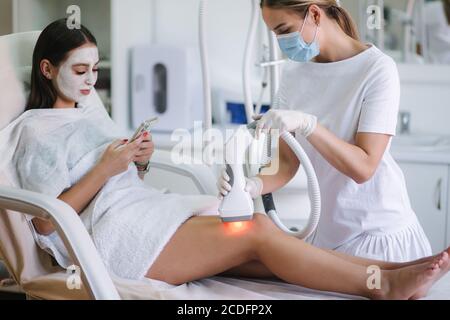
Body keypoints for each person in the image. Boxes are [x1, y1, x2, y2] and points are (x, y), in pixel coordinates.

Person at [12, 19, 450, 300]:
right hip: (110, 242)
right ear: (48, 70)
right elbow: (48, 222)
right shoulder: (36, 130)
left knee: (276, 257)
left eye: (94, 69)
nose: (91, 81)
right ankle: (387, 285)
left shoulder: (92, 114)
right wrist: (107, 167)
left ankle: (392, 268)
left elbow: (117, 181)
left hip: (145, 215)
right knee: (256, 230)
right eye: (79, 70)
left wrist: (137, 162)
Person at [220, 0, 433, 263]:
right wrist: (251, 185)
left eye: (284, 29)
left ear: (314, 14)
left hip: (379, 233)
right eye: (275, 33)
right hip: (329, 236)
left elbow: (364, 167)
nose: (281, 41)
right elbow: (287, 162)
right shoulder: (294, 74)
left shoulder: (377, 69)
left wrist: (309, 125)